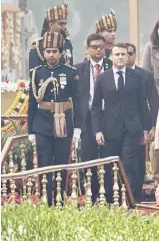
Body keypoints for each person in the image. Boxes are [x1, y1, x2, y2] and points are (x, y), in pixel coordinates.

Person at [91, 43, 150, 204]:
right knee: (111, 165)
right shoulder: (103, 77)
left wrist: (146, 129)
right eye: (117, 54)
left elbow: (143, 104)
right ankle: (111, 199)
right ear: (111, 57)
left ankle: (131, 200)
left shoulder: (136, 77)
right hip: (110, 128)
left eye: (124, 54)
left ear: (128, 56)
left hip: (132, 128)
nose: (121, 57)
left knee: (130, 164)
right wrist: (97, 131)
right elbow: (96, 106)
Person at [27, 31, 81, 206]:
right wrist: (31, 131)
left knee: (60, 162)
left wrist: (78, 127)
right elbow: (32, 103)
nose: (51, 55)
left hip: (63, 123)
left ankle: (59, 201)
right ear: (43, 53)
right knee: (44, 163)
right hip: (42, 125)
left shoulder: (70, 72)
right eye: (48, 51)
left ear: (61, 53)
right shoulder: (37, 73)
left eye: (55, 51)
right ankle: (46, 200)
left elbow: (78, 101)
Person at [74, 33, 110, 203]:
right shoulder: (78, 69)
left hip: (108, 116)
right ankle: (91, 194)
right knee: (88, 157)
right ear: (87, 49)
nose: (97, 50)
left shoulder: (112, 66)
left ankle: (108, 195)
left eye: (101, 47)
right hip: (87, 118)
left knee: (108, 156)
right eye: (94, 47)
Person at [125, 42, 159, 194]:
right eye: (122, 54)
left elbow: (153, 101)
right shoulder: (110, 74)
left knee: (138, 161)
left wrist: (152, 125)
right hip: (117, 125)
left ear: (135, 56)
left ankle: (136, 193)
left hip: (139, 124)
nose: (126, 57)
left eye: (130, 53)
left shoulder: (144, 75)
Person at [29, 4, 73, 69]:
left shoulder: (67, 43)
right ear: (51, 25)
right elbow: (34, 74)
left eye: (65, 23)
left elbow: (70, 71)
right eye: (60, 23)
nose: (63, 27)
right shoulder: (37, 46)